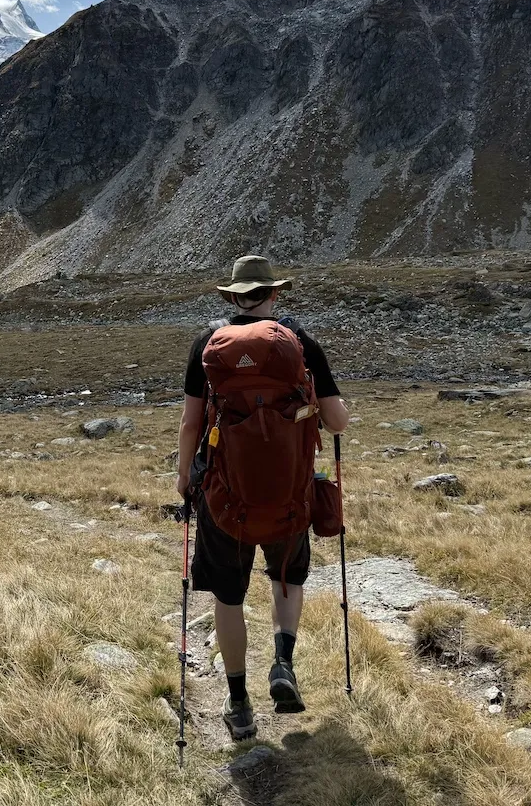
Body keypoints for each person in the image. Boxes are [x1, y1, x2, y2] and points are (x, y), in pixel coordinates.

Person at [176, 255, 350, 741]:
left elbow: (191, 423)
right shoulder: (299, 344)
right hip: (290, 498)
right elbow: (337, 422)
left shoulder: (206, 346)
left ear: (232, 297)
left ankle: (239, 705)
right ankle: (282, 664)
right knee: (286, 578)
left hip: (224, 501)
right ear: (275, 294)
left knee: (228, 597)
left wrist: (183, 479)